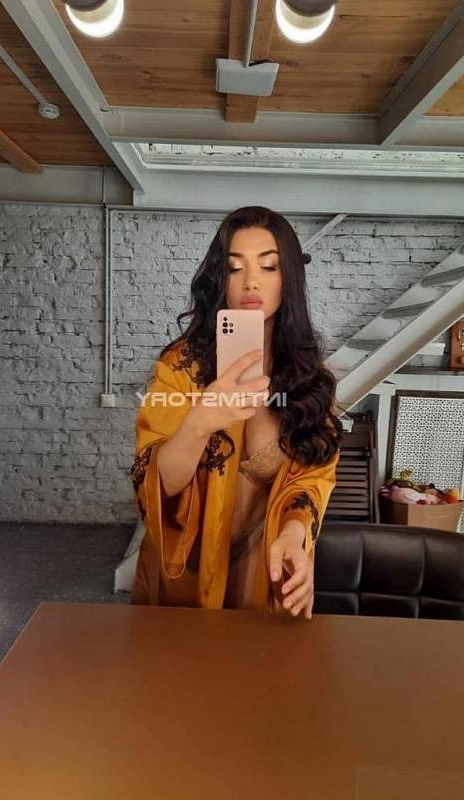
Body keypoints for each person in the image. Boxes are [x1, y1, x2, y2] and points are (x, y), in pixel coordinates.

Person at [129, 206, 342, 618]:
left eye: (269, 266)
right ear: (219, 279)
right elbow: (156, 485)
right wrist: (198, 424)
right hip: (187, 571)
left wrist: (295, 534)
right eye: (234, 268)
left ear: (288, 278)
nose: (251, 282)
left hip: (264, 569)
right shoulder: (180, 368)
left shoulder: (308, 378)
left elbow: (314, 476)